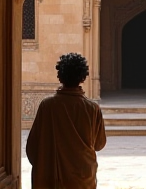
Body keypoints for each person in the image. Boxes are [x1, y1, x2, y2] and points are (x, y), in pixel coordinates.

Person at [26, 52, 106, 189]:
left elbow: (32, 147)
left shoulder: (48, 106)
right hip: (82, 178)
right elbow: (99, 144)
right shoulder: (92, 109)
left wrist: (46, 166)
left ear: (60, 76)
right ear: (83, 77)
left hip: (51, 178)